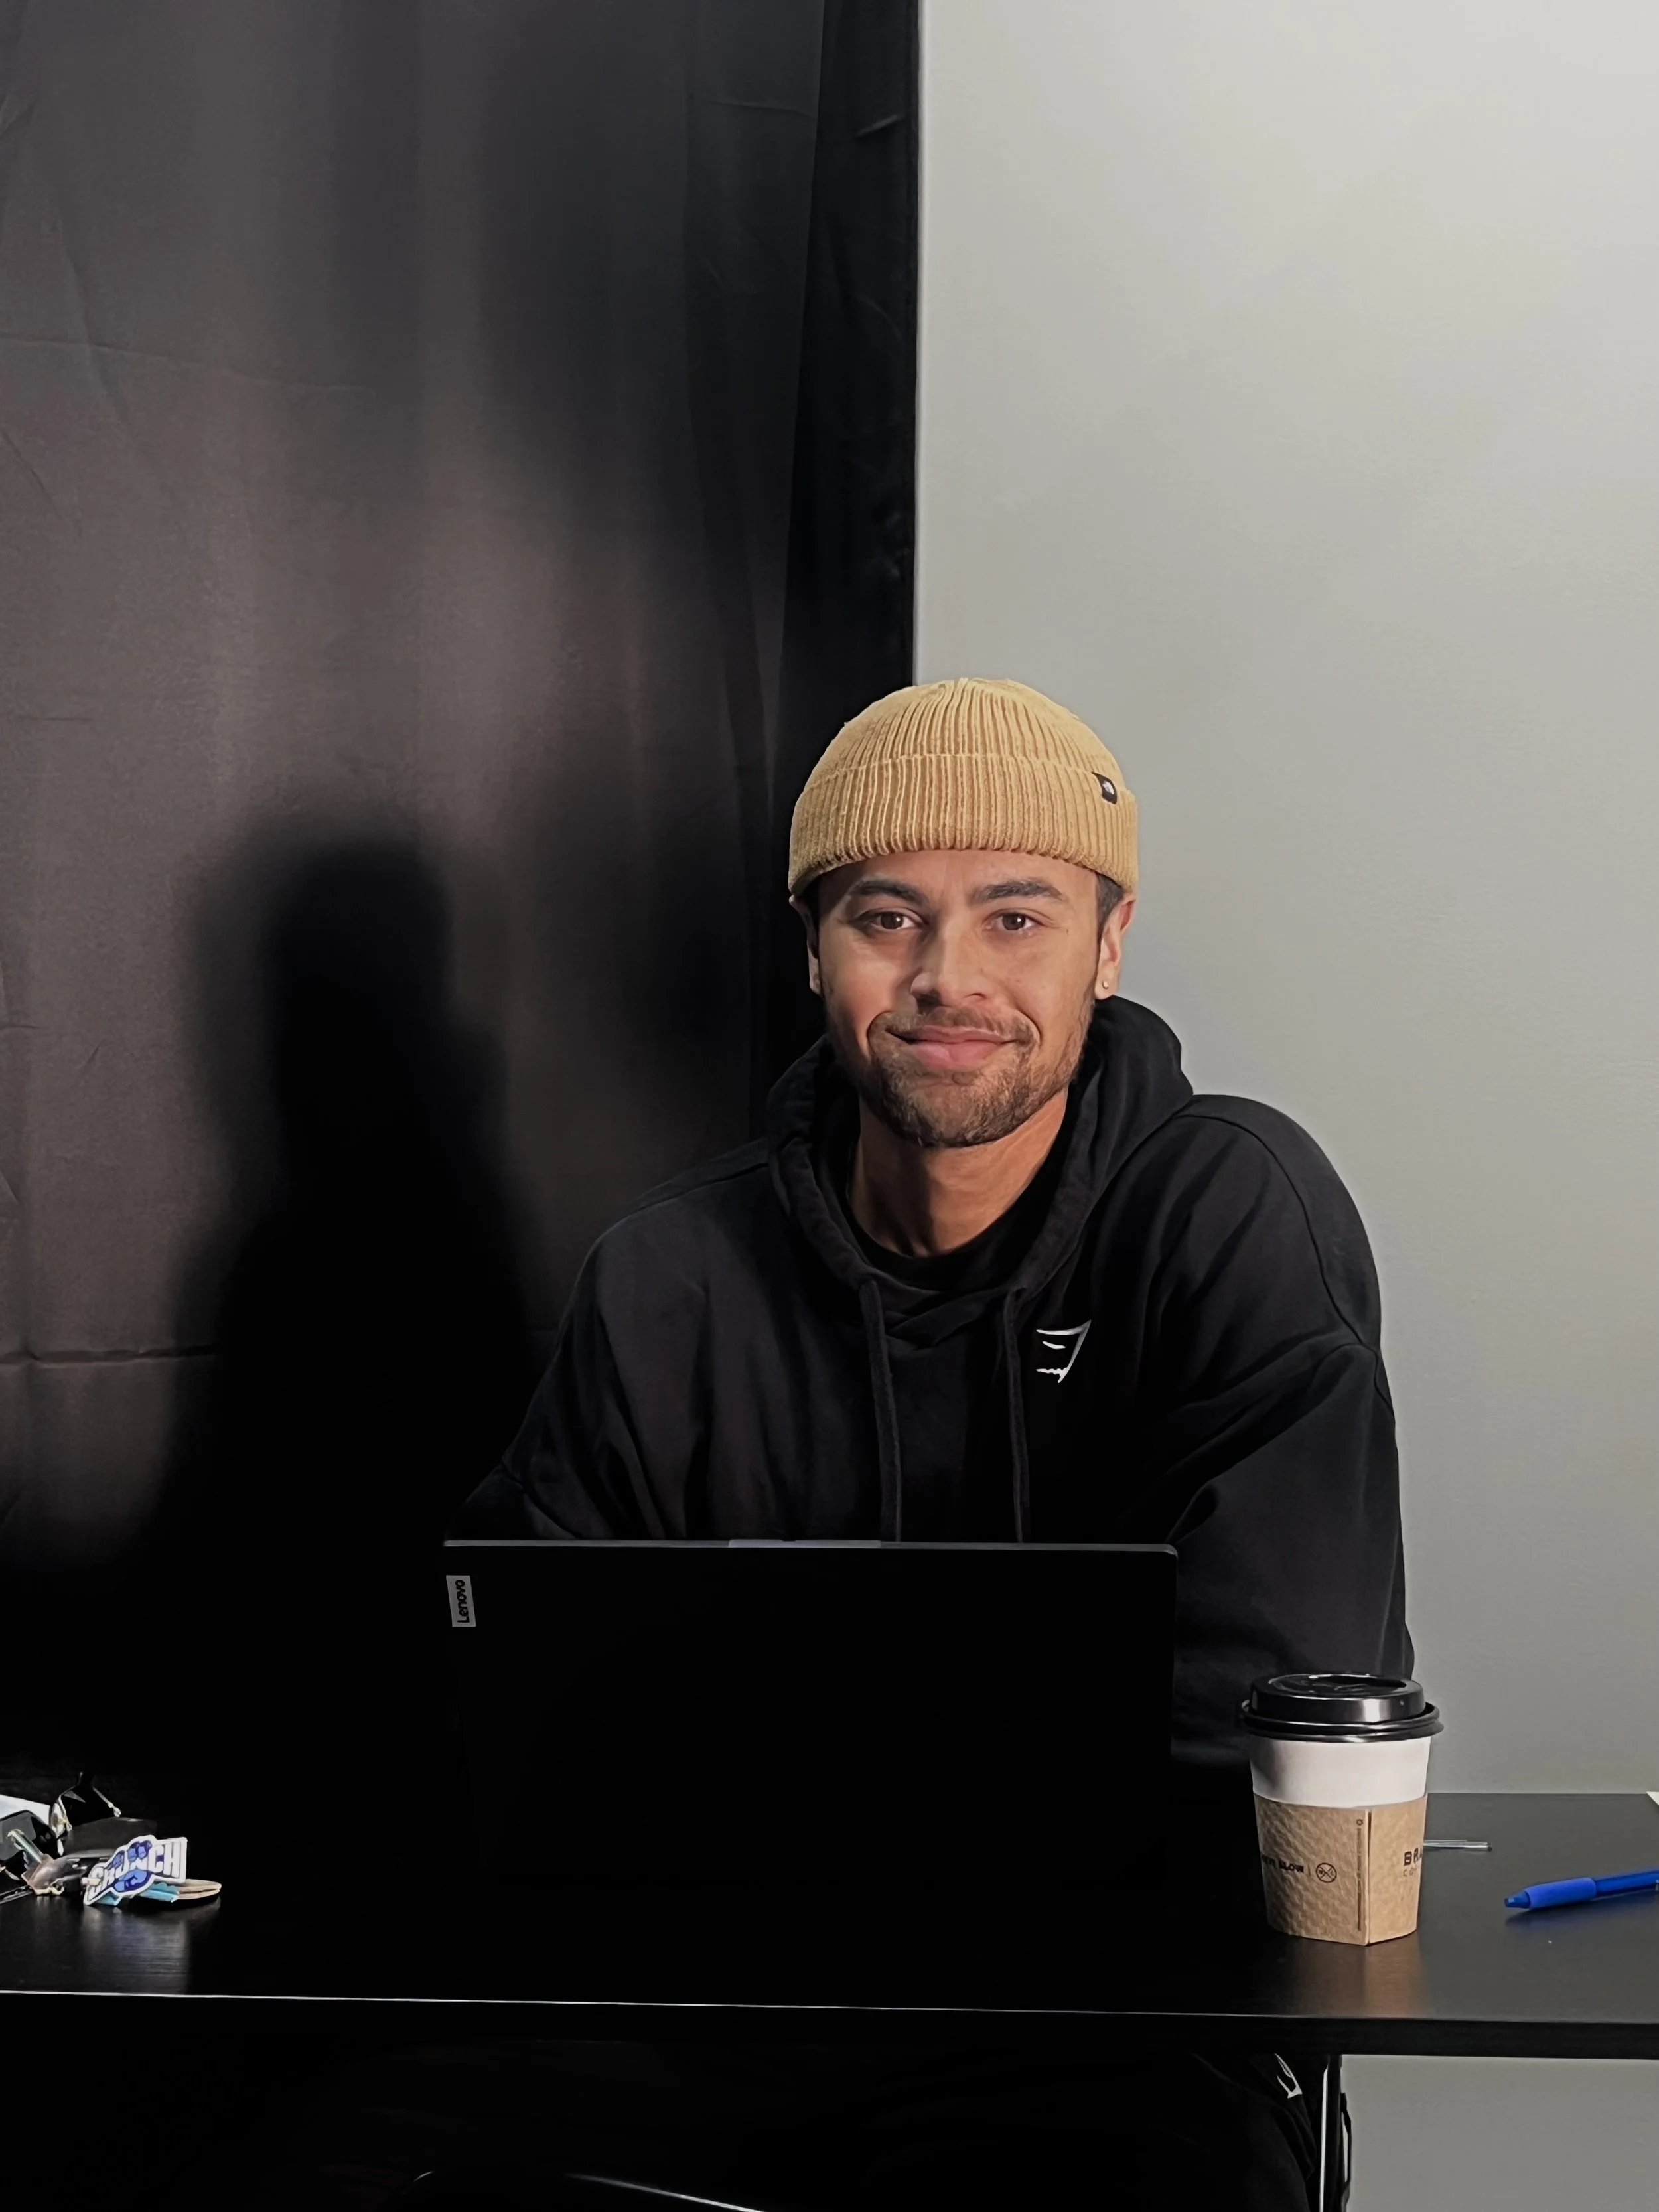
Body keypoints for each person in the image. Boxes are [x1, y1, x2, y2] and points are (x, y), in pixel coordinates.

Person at [448, 676, 1411, 2209]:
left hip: (1118, 2029)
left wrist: (765, 1769)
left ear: (1109, 944)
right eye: (884, 916)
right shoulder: (665, 1270)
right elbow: (521, 1703)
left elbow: (1256, 1717)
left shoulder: (1231, 1211)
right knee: (333, 2154)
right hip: (712, 2008)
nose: (944, 975)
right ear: (813, 946)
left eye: (1015, 917)